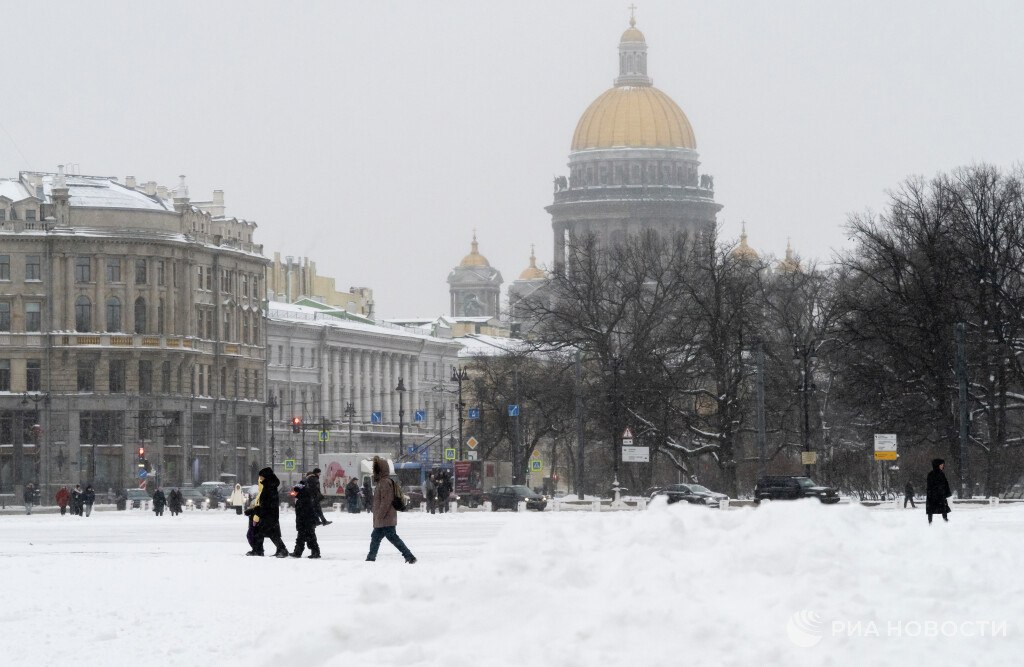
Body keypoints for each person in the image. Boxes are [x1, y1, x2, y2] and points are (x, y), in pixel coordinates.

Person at [365, 456, 416, 564]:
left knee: (391, 538)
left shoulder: (384, 482)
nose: (374, 472)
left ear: (380, 470)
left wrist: (379, 515)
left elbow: (386, 501)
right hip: (385, 518)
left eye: (376, 469)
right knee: (376, 537)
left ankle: (409, 556)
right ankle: (370, 558)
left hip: (385, 518)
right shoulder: (384, 481)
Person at [244, 467, 289, 557]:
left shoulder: (270, 487)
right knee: (265, 533)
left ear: (266, 476)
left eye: (261, 476)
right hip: (268, 514)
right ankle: (260, 550)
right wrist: (254, 510)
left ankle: (281, 550)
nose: (260, 478)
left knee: (269, 534)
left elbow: (267, 504)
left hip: (269, 515)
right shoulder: (268, 486)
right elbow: (264, 503)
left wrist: (255, 510)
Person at [290, 477, 321, 559]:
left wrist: (301, 523)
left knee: (309, 537)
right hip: (306, 521)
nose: (294, 494)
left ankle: (315, 552)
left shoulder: (303, 498)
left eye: (295, 491)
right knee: (302, 537)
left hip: (306, 522)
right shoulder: (305, 495)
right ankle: (298, 552)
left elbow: (305, 513)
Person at [926, 458, 952, 524]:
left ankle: (945, 519)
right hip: (935, 495)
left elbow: (945, 484)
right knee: (934, 508)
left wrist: (945, 492)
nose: (943, 466)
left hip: (939, 495)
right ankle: (930, 522)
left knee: (943, 508)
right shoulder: (932, 474)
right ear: (937, 465)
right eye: (941, 465)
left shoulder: (940, 474)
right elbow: (930, 486)